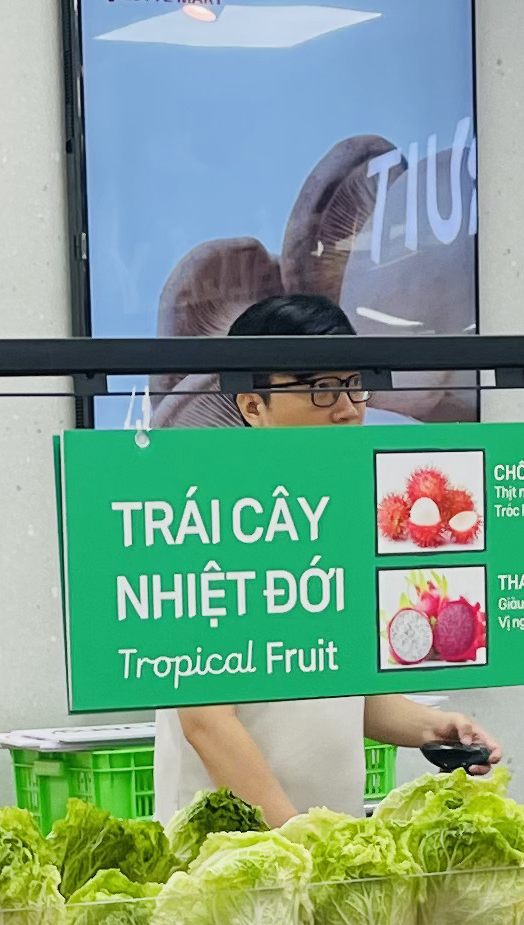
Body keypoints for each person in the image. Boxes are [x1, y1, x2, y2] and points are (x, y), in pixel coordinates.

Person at [152, 296, 499, 823]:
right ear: (251, 406)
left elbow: (341, 695)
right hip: (231, 855)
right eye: (319, 389)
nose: (347, 406)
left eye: (354, 382)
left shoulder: (343, 519)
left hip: (321, 849)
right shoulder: (201, 522)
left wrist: (435, 725)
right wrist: (295, 839)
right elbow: (206, 722)